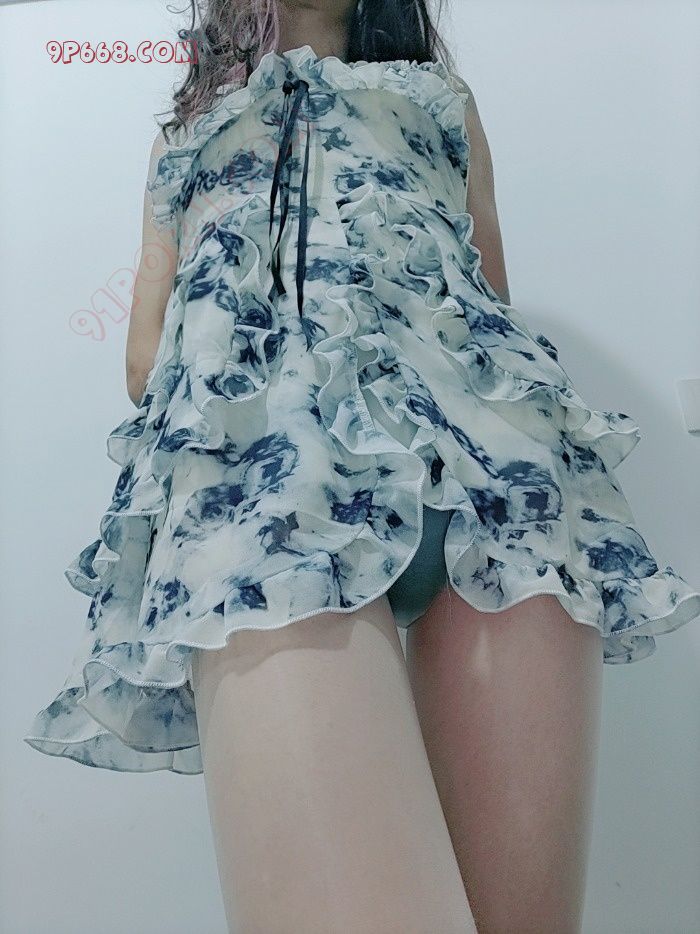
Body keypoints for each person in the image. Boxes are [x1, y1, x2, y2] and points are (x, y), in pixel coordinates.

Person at [24, 1, 700, 932]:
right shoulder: (191, 132)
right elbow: (144, 361)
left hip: (499, 498)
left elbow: (488, 304)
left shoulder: (441, 99)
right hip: (272, 503)